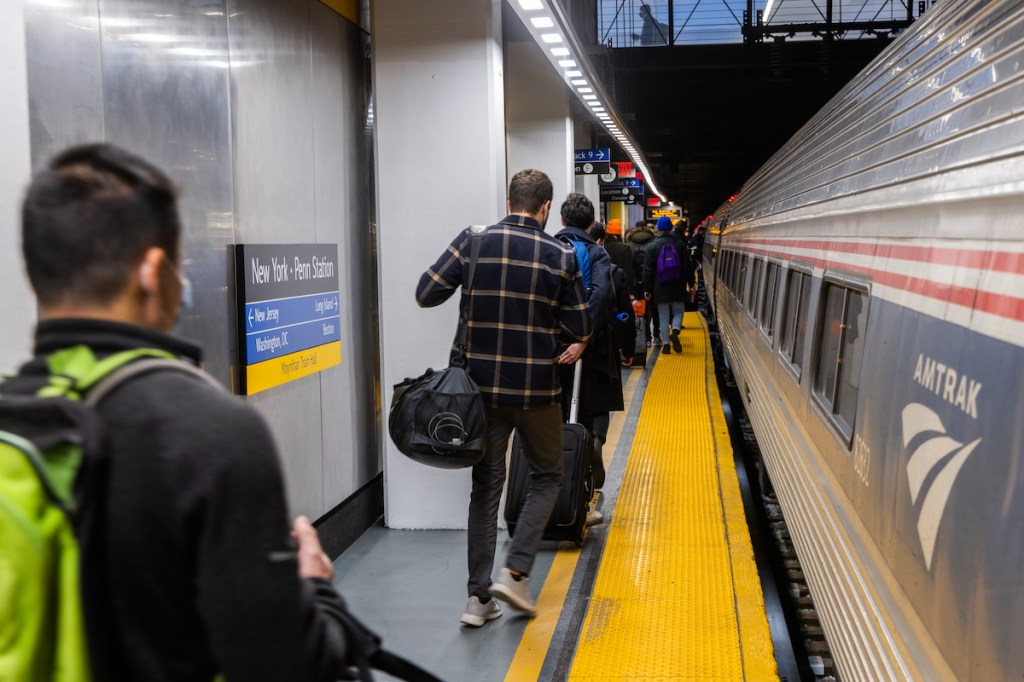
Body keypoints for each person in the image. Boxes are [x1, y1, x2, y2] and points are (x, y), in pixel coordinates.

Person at [6, 144, 350, 680]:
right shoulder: (210, 429)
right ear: (153, 272)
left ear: (36, 278)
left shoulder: (15, 420)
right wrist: (317, 591)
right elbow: (289, 665)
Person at [416, 170, 591, 625]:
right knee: (548, 475)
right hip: (537, 392)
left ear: (509, 199)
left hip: (480, 394)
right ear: (546, 207)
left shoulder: (472, 241)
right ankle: (515, 573)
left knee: (486, 488)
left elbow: (426, 293)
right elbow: (578, 327)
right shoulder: (561, 255)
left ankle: (477, 600)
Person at [554, 194, 618, 527]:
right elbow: (602, 295)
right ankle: (584, 496)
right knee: (590, 421)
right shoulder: (597, 253)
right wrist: (584, 338)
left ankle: (556, 501)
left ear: (562, 221)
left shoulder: (549, 249)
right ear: (592, 223)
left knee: (555, 425)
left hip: (554, 356)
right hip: (590, 356)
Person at [643, 215, 691, 355]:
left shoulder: (652, 246)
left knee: (663, 316)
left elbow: (647, 270)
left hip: (659, 288)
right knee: (678, 311)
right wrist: (691, 283)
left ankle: (665, 345)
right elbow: (687, 266)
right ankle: (675, 331)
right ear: (671, 228)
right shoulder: (680, 244)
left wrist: (647, 289)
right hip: (677, 286)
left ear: (658, 228)